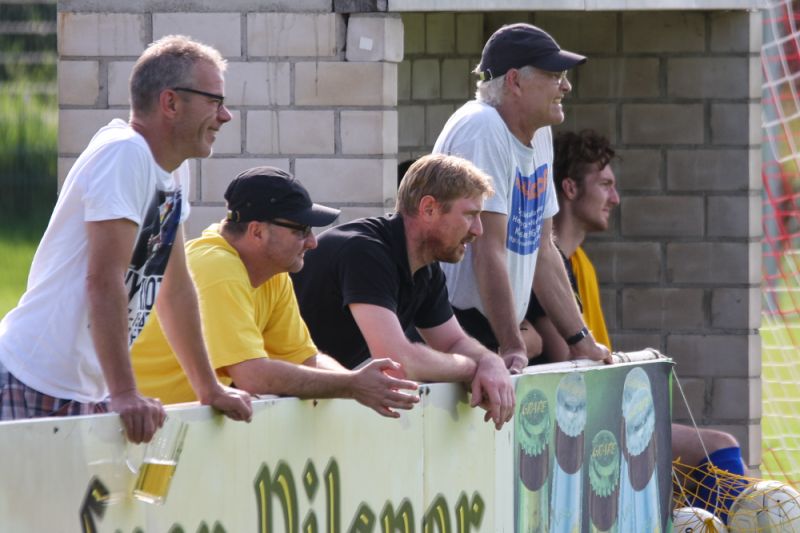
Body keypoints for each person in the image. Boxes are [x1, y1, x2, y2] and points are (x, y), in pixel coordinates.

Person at [0, 35, 252, 443]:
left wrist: (208, 388)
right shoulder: (125, 154)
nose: (226, 116)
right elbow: (104, 280)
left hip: (89, 392)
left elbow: (176, 288)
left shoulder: (172, 169)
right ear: (170, 103)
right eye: (215, 101)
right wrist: (125, 393)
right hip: (36, 380)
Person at [525, 128, 746, 518]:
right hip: (568, 425)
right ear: (570, 188)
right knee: (716, 448)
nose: (615, 198)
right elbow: (568, 369)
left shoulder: (581, 265)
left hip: (596, 411)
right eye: (605, 185)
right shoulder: (545, 267)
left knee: (711, 456)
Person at [132, 167, 420, 418]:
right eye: (301, 230)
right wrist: (353, 386)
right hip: (132, 432)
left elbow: (305, 359)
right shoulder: (217, 267)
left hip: (168, 426)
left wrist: (361, 384)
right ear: (257, 231)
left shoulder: (273, 272)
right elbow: (253, 376)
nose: (312, 242)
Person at [431, 23, 611, 373]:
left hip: (493, 327)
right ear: (514, 81)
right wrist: (512, 345)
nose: (566, 86)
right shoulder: (482, 128)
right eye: (555, 75)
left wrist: (581, 341)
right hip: (457, 324)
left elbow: (543, 248)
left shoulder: (538, 132)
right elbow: (487, 249)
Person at [293, 154, 515, 429]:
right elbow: (398, 360)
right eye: (470, 215)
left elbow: (453, 342)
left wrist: (489, 361)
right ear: (429, 208)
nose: (478, 230)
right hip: (271, 402)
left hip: (307, 405)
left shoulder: (426, 267)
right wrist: (472, 368)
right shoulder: (365, 251)